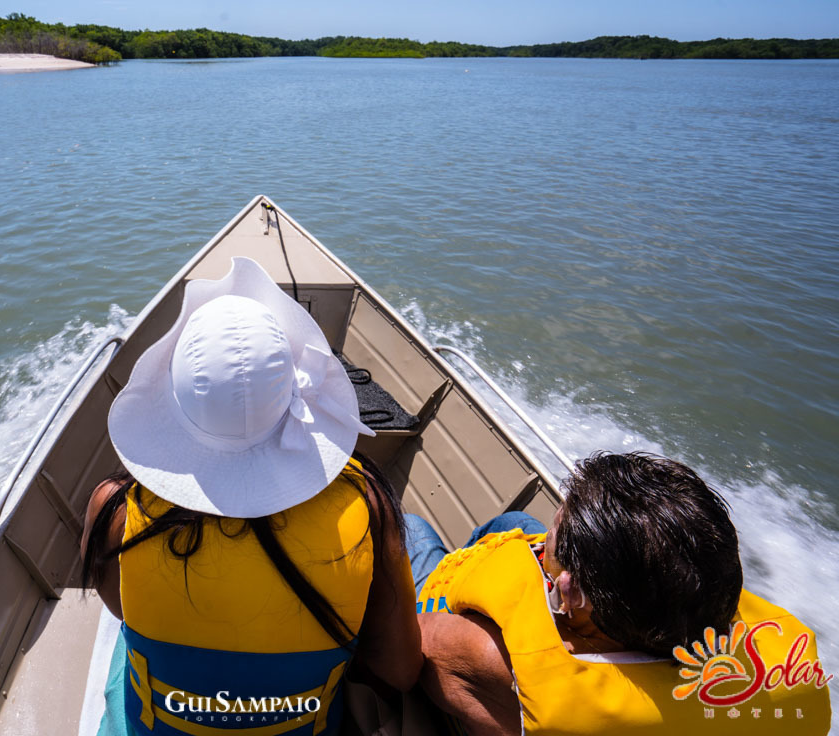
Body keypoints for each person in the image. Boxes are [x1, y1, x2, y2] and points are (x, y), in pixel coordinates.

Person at [81, 256, 421, 736]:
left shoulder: (114, 510)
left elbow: (121, 610)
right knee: (421, 535)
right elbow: (400, 671)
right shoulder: (367, 506)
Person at [409, 452, 832, 735]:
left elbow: (405, 648)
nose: (539, 545)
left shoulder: (490, 658)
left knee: (415, 531)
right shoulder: (788, 679)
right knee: (517, 520)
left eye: (549, 538)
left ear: (569, 593)